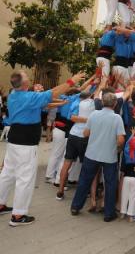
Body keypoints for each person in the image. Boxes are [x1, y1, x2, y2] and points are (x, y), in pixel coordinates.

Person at [0, 70, 85, 226]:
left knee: (7, 173)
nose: (29, 78)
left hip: (14, 141)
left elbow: (45, 102)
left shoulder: (13, 95)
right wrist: (71, 81)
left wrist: (60, 103)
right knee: (25, 178)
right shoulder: (29, 97)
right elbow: (52, 92)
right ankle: (18, 215)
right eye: (26, 76)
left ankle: (0, 204)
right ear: (25, 83)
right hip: (25, 143)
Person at [71, 92, 125, 222]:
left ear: (102, 102)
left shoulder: (93, 115)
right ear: (115, 104)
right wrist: (117, 148)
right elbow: (121, 139)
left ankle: (76, 206)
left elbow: (85, 133)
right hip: (109, 155)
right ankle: (109, 213)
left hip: (92, 153)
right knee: (110, 184)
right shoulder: (117, 118)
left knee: (84, 180)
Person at [56, 91, 95, 200]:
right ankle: (84, 191)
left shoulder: (76, 103)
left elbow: (72, 117)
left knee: (67, 163)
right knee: (84, 165)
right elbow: (73, 117)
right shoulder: (91, 103)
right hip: (84, 136)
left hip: (73, 134)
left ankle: (60, 191)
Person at [120, 127, 135, 222]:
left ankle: (122, 212)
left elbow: (127, 144)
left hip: (126, 177)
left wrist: (132, 134)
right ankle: (131, 216)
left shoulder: (127, 151)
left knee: (124, 194)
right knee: (133, 196)